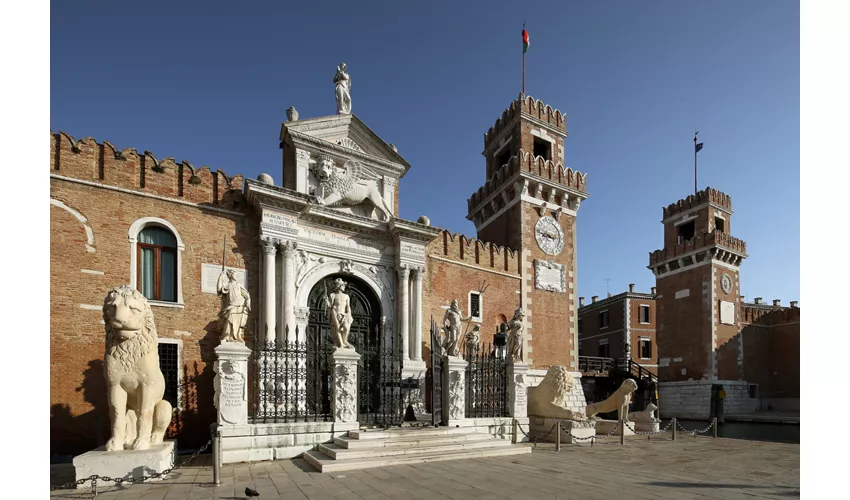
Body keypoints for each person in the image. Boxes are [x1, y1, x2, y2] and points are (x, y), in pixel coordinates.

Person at [217, 269, 251, 343]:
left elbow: (246, 295)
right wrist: (220, 278)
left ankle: (237, 336)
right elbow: (219, 289)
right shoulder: (227, 285)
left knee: (240, 321)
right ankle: (227, 335)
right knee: (230, 317)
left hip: (240, 305)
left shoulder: (239, 286)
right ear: (230, 275)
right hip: (232, 305)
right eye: (234, 274)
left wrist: (248, 301)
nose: (236, 276)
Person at [324, 278, 354, 348]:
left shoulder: (346, 296)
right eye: (343, 286)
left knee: (346, 328)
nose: (344, 287)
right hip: (335, 312)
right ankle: (341, 344)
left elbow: (348, 306)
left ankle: (345, 340)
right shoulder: (333, 295)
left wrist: (348, 313)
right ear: (339, 286)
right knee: (337, 327)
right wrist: (326, 300)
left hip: (343, 314)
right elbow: (330, 305)